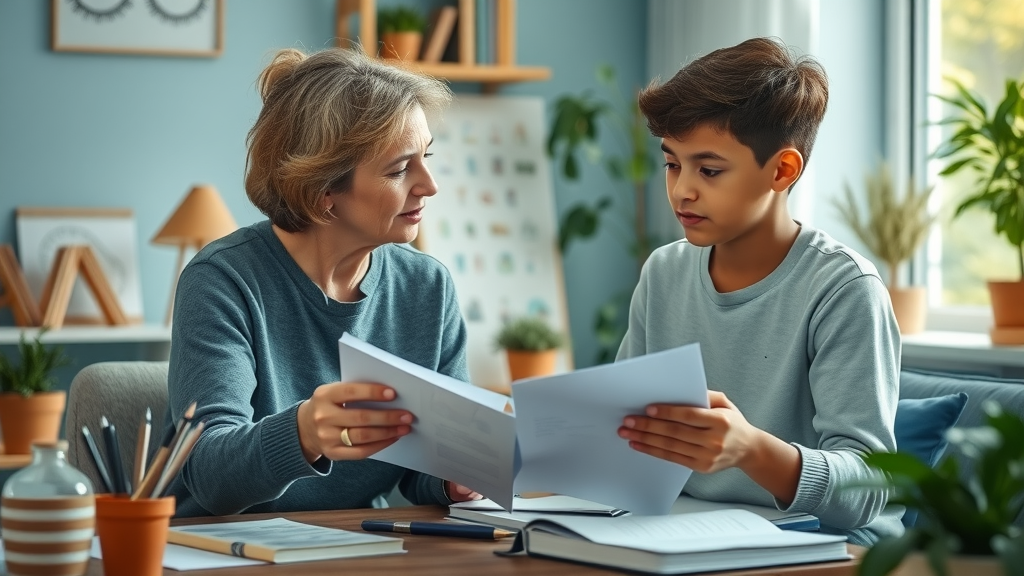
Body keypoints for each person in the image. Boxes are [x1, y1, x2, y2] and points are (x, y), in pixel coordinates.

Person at [163, 47, 479, 516]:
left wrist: (454, 479)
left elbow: (426, 462)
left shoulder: (427, 287)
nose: (429, 185)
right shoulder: (222, 282)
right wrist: (305, 431)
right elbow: (210, 474)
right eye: (399, 169)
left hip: (355, 547)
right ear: (324, 191)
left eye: (426, 157)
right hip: (223, 547)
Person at [615, 37, 902, 545]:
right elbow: (623, 432)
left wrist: (749, 448)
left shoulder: (844, 289)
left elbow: (867, 489)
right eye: (672, 163)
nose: (682, 189)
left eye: (709, 170)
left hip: (824, 543)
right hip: (683, 529)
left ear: (782, 170)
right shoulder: (664, 272)